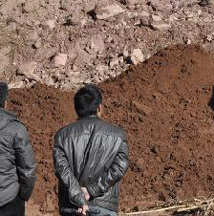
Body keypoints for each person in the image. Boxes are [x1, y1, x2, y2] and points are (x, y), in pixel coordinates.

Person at [53, 85, 128, 216]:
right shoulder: (118, 135)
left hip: (72, 207)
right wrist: (91, 190)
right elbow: (120, 167)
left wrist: (79, 197)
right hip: (103, 207)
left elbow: (62, 171)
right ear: (99, 107)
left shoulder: (62, 136)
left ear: (77, 109)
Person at [0, 81, 37, 216]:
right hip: (9, 201)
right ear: (5, 101)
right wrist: (23, 195)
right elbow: (27, 168)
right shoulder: (16, 129)